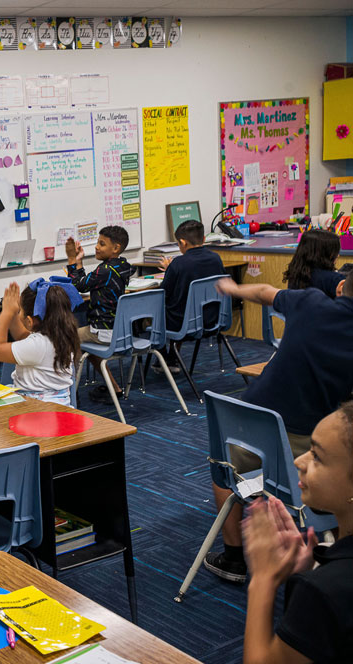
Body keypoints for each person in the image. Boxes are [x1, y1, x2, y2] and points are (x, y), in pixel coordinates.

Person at [203, 275, 353, 583]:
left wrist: (232, 289)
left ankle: (233, 557)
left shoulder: (310, 302)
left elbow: (262, 291)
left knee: (223, 468)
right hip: (303, 454)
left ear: (340, 288)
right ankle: (341, 559)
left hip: (245, 424)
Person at [241, 403, 353, 664]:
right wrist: (313, 570)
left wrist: (263, 579)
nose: (298, 461)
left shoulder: (324, 592)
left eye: (316, 456)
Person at [0, 277, 82, 406]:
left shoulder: (38, 346)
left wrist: (6, 313)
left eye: (20, 312)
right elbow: (22, 335)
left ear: (30, 321)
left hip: (39, 410)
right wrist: (14, 313)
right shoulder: (60, 335)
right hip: (56, 407)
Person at [64, 226, 133, 401]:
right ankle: (114, 388)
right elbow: (86, 282)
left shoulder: (105, 270)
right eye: (97, 242)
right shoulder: (123, 266)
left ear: (115, 248)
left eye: (102, 244)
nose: (96, 247)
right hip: (121, 331)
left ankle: (69, 392)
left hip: (104, 331)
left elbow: (79, 285)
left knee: (65, 337)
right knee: (89, 347)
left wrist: (72, 261)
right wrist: (79, 264)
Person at [157, 219, 226, 372]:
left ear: (183, 242)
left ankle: (164, 358)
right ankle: (173, 357)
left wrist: (170, 270)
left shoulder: (179, 263)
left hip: (183, 322)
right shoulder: (216, 258)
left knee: (155, 312)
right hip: (212, 319)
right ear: (203, 239)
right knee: (183, 305)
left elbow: (163, 293)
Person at [283, 228, 343, 298]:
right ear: (326, 253)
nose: (338, 255)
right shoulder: (335, 279)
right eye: (335, 252)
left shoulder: (295, 274)